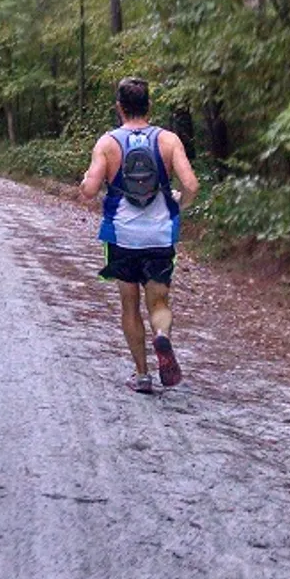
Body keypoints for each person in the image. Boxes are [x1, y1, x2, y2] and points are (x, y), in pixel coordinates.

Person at [77, 76, 200, 394]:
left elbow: (89, 192)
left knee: (129, 305)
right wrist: (178, 204)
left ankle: (142, 375)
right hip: (159, 236)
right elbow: (192, 185)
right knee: (159, 300)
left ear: (119, 107)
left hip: (122, 236)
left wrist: (86, 181)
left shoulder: (107, 143)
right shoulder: (168, 140)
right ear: (149, 106)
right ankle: (163, 337)